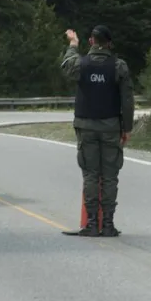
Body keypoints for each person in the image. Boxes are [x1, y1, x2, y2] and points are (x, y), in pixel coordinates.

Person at [59, 25, 135, 237]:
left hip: (86, 127)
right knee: (110, 176)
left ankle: (92, 223)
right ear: (109, 44)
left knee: (90, 174)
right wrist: (127, 128)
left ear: (91, 41)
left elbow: (66, 64)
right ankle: (108, 224)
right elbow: (127, 101)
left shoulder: (81, 64)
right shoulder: (119, 66)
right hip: (111, 127)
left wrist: (73, 44)